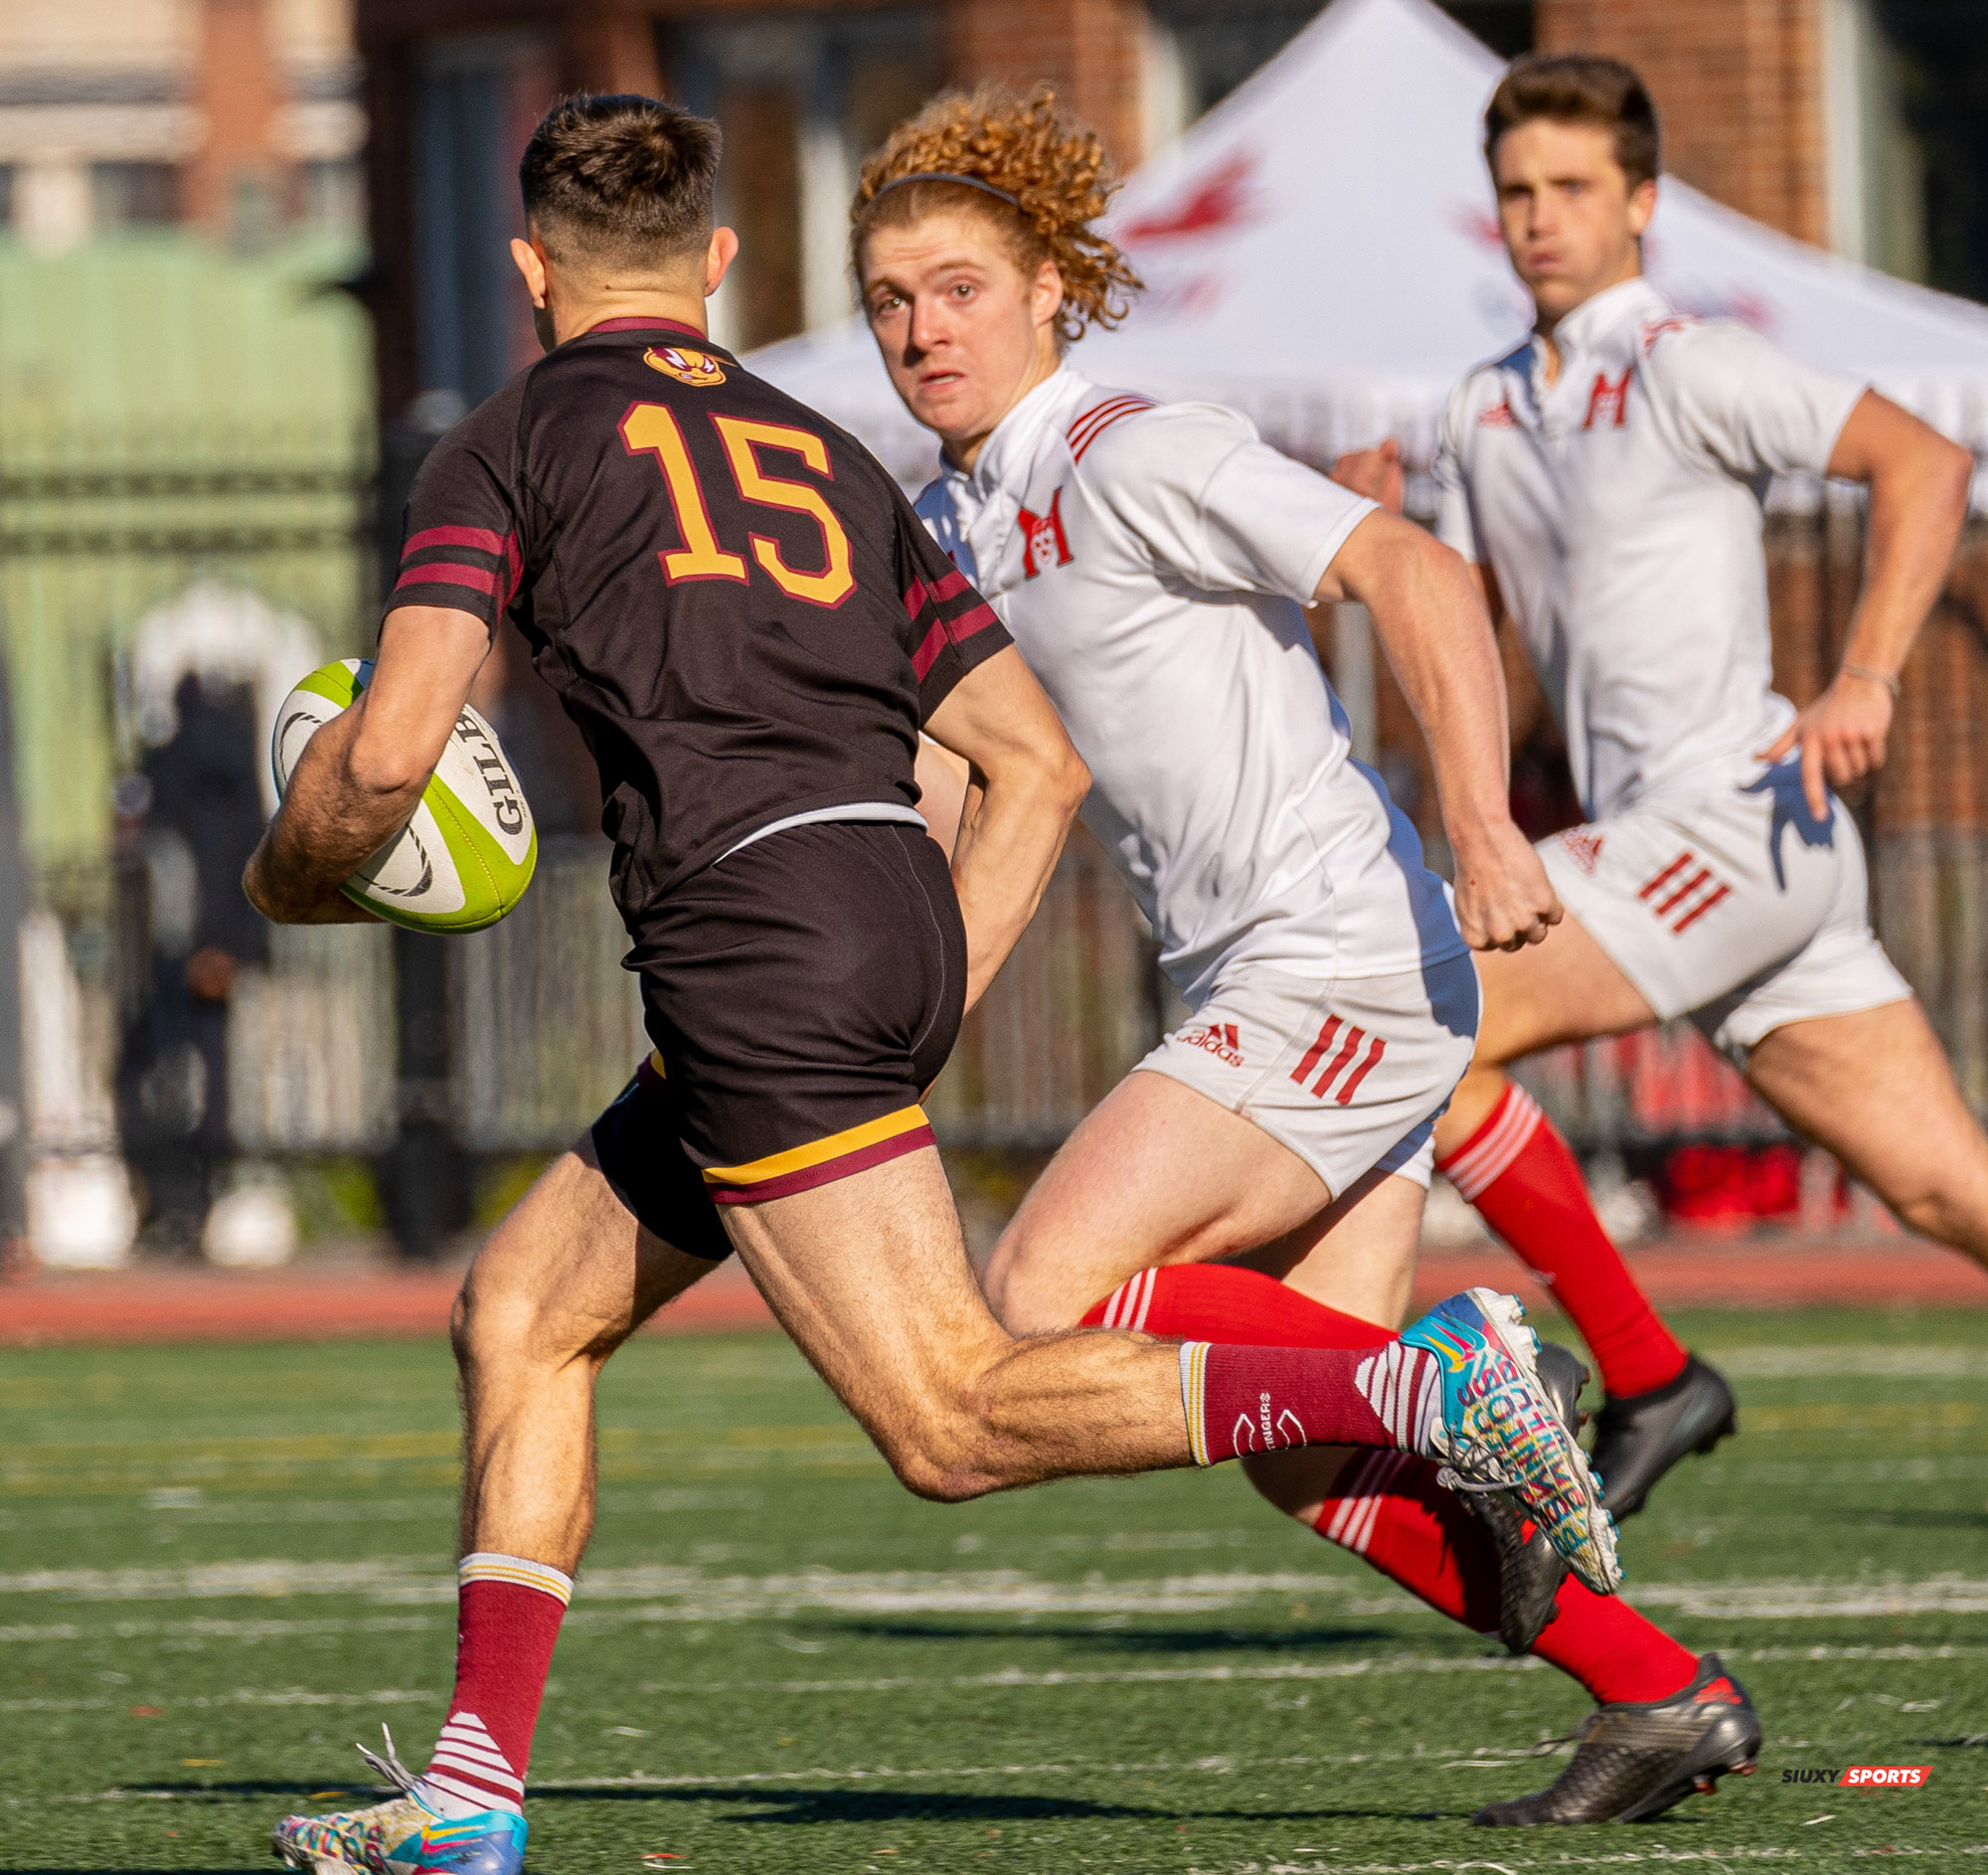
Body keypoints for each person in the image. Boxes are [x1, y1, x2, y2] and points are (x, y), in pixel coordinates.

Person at [245, 94, 1608, 1875]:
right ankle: (468, 1797)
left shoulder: (506, 443)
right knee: (520, 1311)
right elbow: (1032, 759)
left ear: (528, 271)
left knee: (953, 1419)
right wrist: (912, 991)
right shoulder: (828, 450)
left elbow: (384, 753)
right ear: (717, 262)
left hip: (752, 954)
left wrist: (294, 875)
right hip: (882, 917)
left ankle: (1425, 1394)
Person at [855, 85, 1754, 1829]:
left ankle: (1453, 1373)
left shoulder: (1130, 446)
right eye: (891, 300)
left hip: (1333, 957)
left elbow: (1417, 572)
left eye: (958, 289)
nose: (920, 330)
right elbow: (957, 787)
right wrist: (881, 1000)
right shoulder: (949, 524)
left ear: (1049, 288)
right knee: (1303, 1449)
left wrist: (1483, 823)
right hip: (1271, 981)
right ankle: (1659, 1690)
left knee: (1038, 1296)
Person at [1334, 52, 1982, 1527]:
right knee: (1950, 1193)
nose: (1541, 216)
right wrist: (1376, 545)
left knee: (1425, 1012)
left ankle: (1647, 1372)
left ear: (1642, 203)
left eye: (1573, 187)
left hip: (1733, 826)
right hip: (1688, 854)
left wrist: (1867, 677)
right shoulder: (1484, 408)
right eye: (1517, 191)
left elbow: (1928, 463)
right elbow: (1477, 628)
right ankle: (1645, 1374)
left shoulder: (1691, 361)